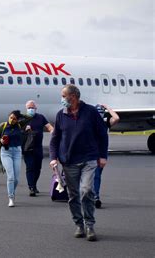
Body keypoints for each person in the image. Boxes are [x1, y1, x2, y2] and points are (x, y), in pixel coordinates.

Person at [49, 84, 108, 241]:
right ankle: (79, 224)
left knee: (87, 190)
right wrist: (53, 157)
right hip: (69, 162)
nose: (62, 99)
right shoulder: (61, 115)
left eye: (63, 96)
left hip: (89, 159)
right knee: (73, 195)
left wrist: (103, 156)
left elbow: (103, 134)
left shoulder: (91, 112)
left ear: (73, 97)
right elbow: (54, 139)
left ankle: (89, 225)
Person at [0, 110, 31, 207]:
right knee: (11, 177)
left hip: (17, 152)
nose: (12, 120)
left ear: (17, 120)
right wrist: (0, 140)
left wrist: (21, 115)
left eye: (14, 118)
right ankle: (11, 197)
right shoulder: (3, 125)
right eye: (10, 117)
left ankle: (12, 191)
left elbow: (29, 117)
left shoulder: (19, 125)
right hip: (6, 152)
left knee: (16, 179)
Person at [23, 100, 54, 197]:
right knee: (30, 167)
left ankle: (34, 184)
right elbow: (17, 130)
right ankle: (31, 187)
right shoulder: (22, 119)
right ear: (26, 108)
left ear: (36, 108)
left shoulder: (40, 117)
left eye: (32, 107)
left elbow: (49, 126)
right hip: (27, 148)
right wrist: (24, 129)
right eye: (29, 108)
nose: (31, 109)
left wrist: (53, 131)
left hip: (38, 147)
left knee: (38, 168)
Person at [94, 104, 120, 209]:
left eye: (101, 111)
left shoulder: (105, 122)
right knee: (93, 175)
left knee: (96, 175)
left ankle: (94, 196)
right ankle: (93, 196)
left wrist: (109, 109)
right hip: (90, 153)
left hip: (100, 153)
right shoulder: (89, 122)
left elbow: (117, 118)